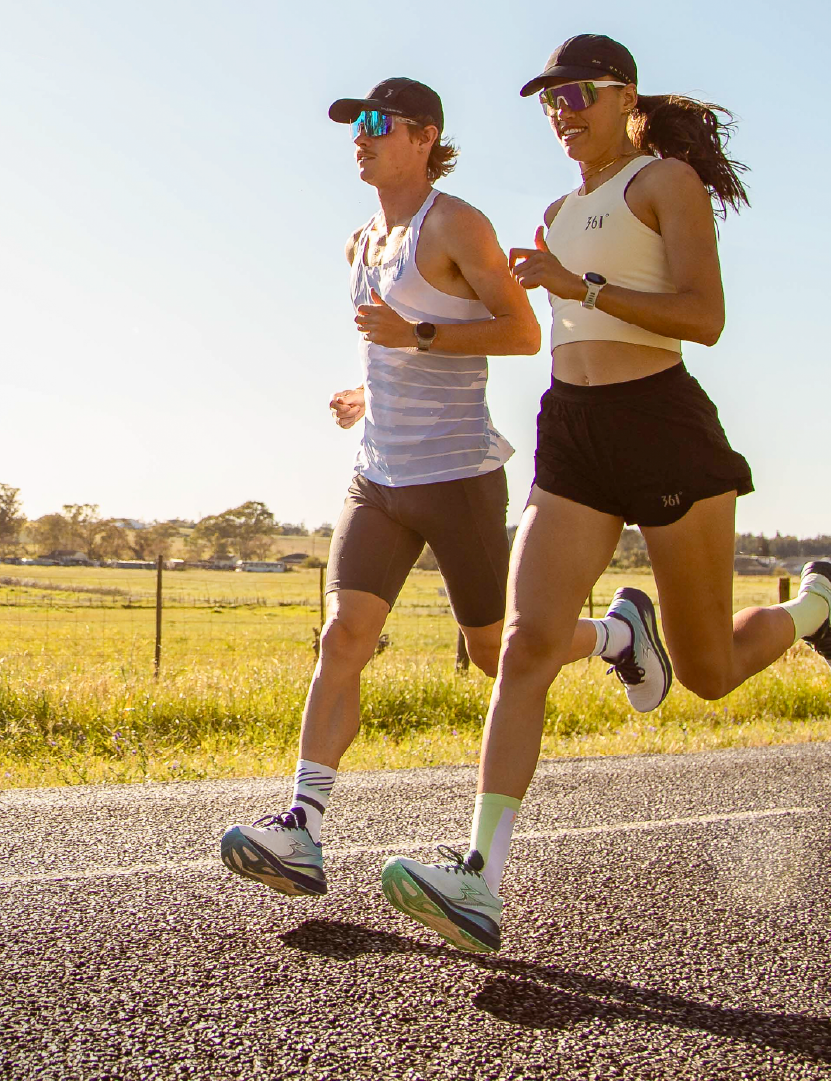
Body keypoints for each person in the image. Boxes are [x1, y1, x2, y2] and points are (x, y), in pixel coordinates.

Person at [378, 36, 831, 953]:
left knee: (708, 672)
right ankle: (479, 878)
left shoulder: (663, 183)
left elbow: (704, 316)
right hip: (571, 430)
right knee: (523, 643)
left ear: (623, 96)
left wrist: (580, 285)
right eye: (549, 101)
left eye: (576, 95)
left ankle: (812, 609)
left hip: (660, 423)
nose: (561, 112)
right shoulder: (559, 206)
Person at [220, 77, 659, 898]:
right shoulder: (359, 241)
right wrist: (366, 393)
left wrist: (418, 334)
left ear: (424, 137)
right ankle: (303, 827)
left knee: (497, 650)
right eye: (354, 125)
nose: (361, 136)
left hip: (457, 474)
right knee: (343, 635)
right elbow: (384, 348)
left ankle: (617, 637)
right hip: (378, 476)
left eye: (378, 124)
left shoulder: (455, 223)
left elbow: (522, 332)